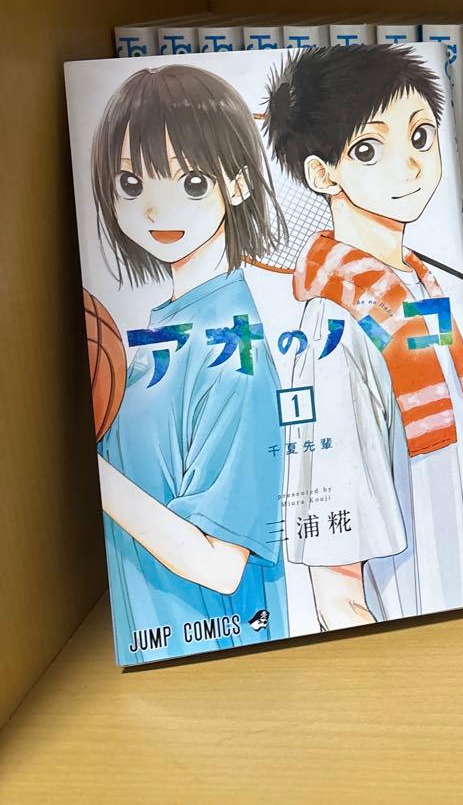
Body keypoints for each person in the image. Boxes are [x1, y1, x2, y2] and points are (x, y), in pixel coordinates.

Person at [263, 44, 463, 628]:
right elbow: (337, 586)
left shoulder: (421, 286)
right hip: (411, 616)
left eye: (420, 136)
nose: (411, 165)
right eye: (369, 149)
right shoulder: (336, 326)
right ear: (323, 174)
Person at [90, 65, 289, 663]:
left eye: (192, 182)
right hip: (155, 641)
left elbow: (220, 566)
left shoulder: (235, 352)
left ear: (239, 184)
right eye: (131, 183)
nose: (156, 209)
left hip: (222, 654)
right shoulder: (161, 328)